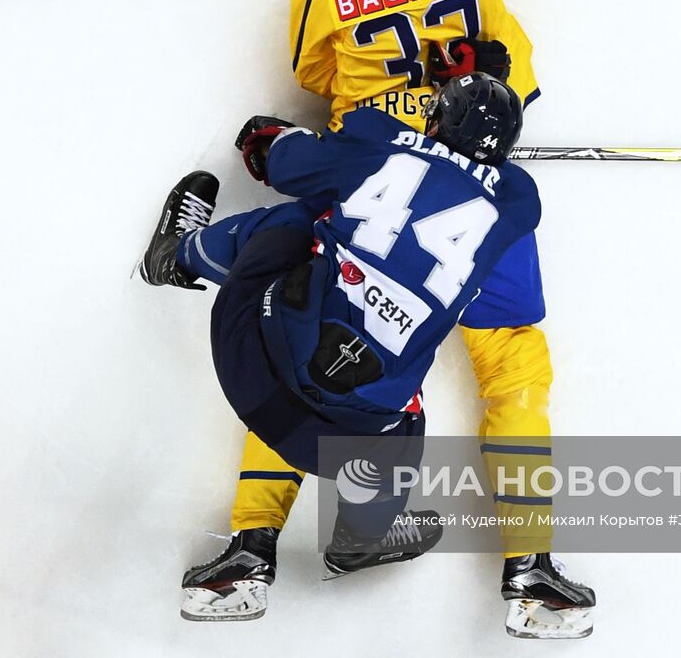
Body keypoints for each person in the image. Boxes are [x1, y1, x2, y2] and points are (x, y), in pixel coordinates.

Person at [194, 0, 595, 640]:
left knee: (308, 340)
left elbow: (308, 66)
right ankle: (530, 572)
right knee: (513, 366)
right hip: (481, 184)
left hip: (370, 177)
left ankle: (250, 549)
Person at [139, 75, 536, 623]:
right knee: (406, 396)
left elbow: (281, 162)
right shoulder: (518, 203)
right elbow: (514, 193)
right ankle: (364, 532)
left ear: (436, 120)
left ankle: (177, 256)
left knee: (305, 222)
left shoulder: (382, 140)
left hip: (247, 369)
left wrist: (270, 139)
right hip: (343, 447)